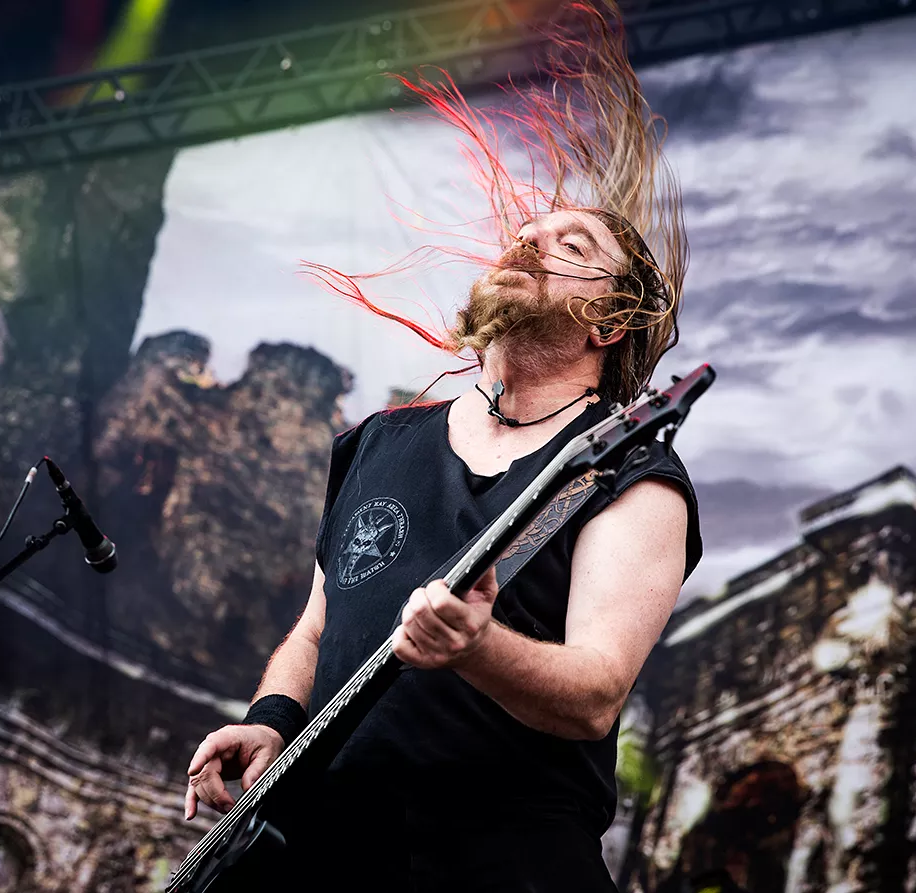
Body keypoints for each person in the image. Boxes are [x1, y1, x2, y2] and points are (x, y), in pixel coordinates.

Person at [183, 3, 702, 890]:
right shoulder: (379, 442)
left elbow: (594, 694)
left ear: (610, 323)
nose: (529, 240)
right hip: (330, 861)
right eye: (528, 233)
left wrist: (476, 646)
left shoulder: (630, 474)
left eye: (571, 244)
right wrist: (271, 718)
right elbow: (318, 626)